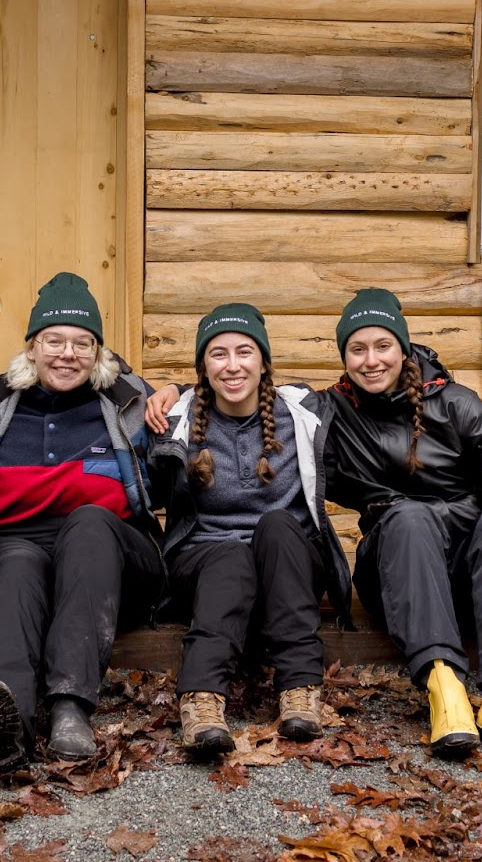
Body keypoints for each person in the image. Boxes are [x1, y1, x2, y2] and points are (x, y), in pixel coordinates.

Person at [327, 288, 482, 766]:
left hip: (469, 577)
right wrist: (172, 392)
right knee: (409, 515)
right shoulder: (330, 411)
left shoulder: (458, 405)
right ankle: (446, 688)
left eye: (382, 346)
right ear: (344, 356)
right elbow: (245, 391)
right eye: (358, 349)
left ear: (403, 347)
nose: (371, 360)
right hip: (397, 573)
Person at [0, 273, 165, 771]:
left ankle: (70, 708)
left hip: (113, 553)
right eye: (53, 341)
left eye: (82, 343)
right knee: (10, 574)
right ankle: (6, 721)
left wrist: (175, 390)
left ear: (99, 354)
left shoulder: (130, 397)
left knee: (90, 521)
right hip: (20, 541)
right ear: (31, 348)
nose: (67, 354)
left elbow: (211, 398)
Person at [147, 304, 352, 754]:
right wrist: (169, 388)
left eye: (245, 351)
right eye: (218, 354)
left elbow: (377, 375)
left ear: (263, 361)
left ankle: (300, 691)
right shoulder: (178, 417)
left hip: (287, 559)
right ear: (204, 366)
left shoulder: (302, 410)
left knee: (278, 524)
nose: (233, 365)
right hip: (206, 560)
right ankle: (201, 700)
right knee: (229, 553)